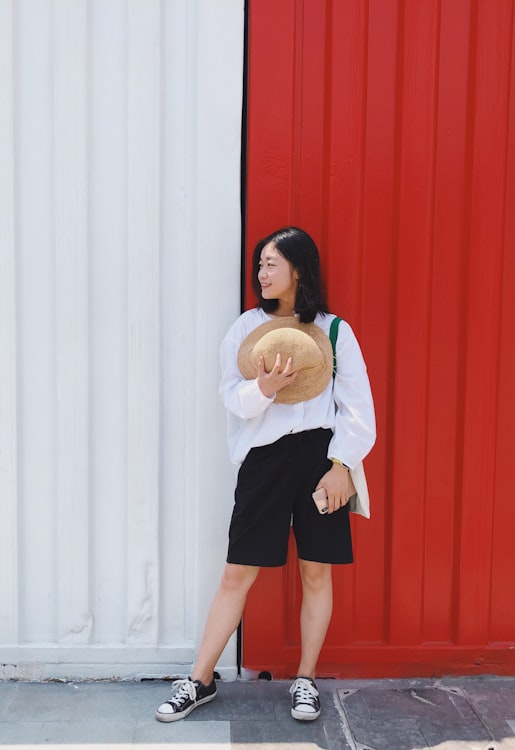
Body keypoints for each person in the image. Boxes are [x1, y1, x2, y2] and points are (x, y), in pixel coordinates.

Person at [155, 226, 376, 723]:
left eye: (272, 263)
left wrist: (341, 466)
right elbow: (232, 399)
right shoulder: (246, 329)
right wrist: (266, 388)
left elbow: (358, 410)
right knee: (237, 572)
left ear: (299, 268)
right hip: (265, 463)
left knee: (316, 570)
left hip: (322, 460)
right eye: (260, 264)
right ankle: (201, 679)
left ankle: (305, 679)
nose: (262, 273)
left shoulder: (334, 330)